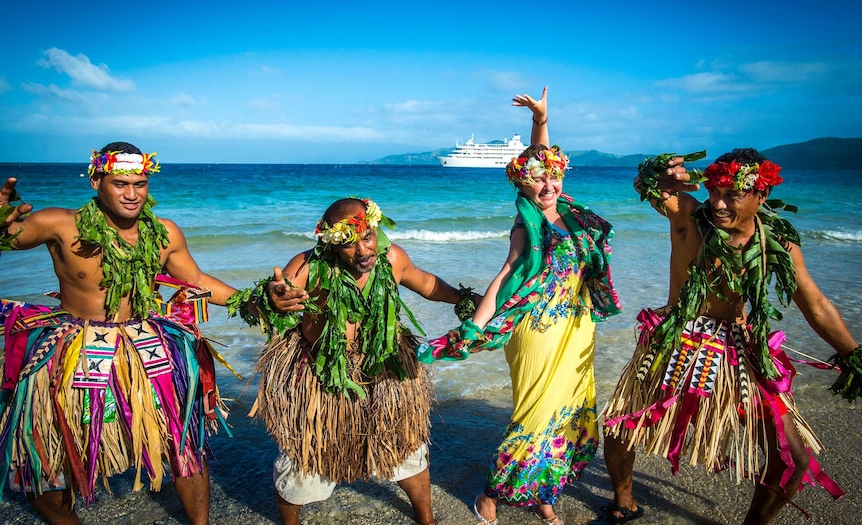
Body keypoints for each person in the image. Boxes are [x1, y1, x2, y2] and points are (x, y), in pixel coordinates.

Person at [0, 143, 303, 525]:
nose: (132, 194)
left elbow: (195, 281)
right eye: (120, 183)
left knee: (183, 444)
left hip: (147, 347)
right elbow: (8, 238)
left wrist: (259, 299)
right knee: (47, 456)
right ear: (96, 181)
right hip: (75, 347)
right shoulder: (60, 224)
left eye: (140, 184)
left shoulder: (163, 232)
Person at [595, 148, 862, 524]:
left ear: (761, 195)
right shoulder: (689, 216)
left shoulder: (777, 244)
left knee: (794, 458)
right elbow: (646, 183)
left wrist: (854, 355)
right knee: (622, 425)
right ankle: (624, 502)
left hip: (738, 346)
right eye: (714, 191)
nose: (718, 204)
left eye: (732, 194)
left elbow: (815, 304)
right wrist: (667, 173)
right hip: (678, 336)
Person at [417, 87, 623, 525]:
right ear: (522, 183)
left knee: (570, 411)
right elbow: (505, 275)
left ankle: (544, 495)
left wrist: (542, 119)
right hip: (538, 329)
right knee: (535, 415)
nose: (548, 186)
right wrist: (475, 326)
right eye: (538, 180)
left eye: (555, 177)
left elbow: (540, 155)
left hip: (577, 325)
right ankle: (491, 496)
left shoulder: (567, 209)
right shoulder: (524, 223)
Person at [229, 196, 470, 525]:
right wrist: (272, 299)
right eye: (348, 243)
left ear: (375, 229)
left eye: (367, 237)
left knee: (405, 448)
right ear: (329, 243)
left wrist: (468, 300)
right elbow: (271, 297)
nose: (362, 251)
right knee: (306, 461)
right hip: (322, 376)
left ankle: (426, 518)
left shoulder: (393, 258)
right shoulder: (308, 266)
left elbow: (427, 284)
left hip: (385, 368)